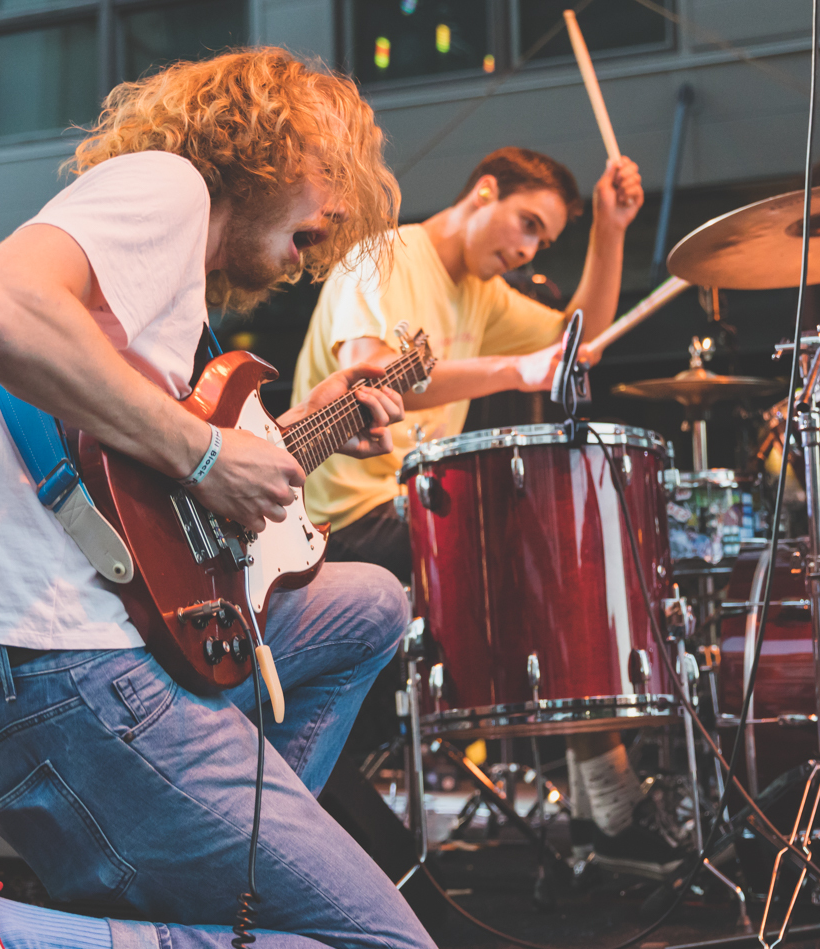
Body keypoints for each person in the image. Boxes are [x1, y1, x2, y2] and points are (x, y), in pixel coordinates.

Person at [0, 49, 465, 949]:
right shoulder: (168, 185)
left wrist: (306, 424)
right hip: (59, 670)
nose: (342, 209)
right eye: (331, 170)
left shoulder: (157, 304)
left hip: (17, 673)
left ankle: (210, 900)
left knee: (369, 603)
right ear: (267, 141)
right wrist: (210, 457)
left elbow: (161, 505)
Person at [291, 148, 685, 875]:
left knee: (554, 536)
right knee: (533, 543)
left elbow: (580, 341)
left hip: (416, 514)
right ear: (483, 192)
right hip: (338, 523)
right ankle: (604, 789)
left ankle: (599, 788)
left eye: (543, 240)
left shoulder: (482, 292)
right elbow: (380, 384)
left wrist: (611, 227)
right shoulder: (380, 257)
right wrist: (513, 370)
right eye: (526, 224)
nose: (528, 249)